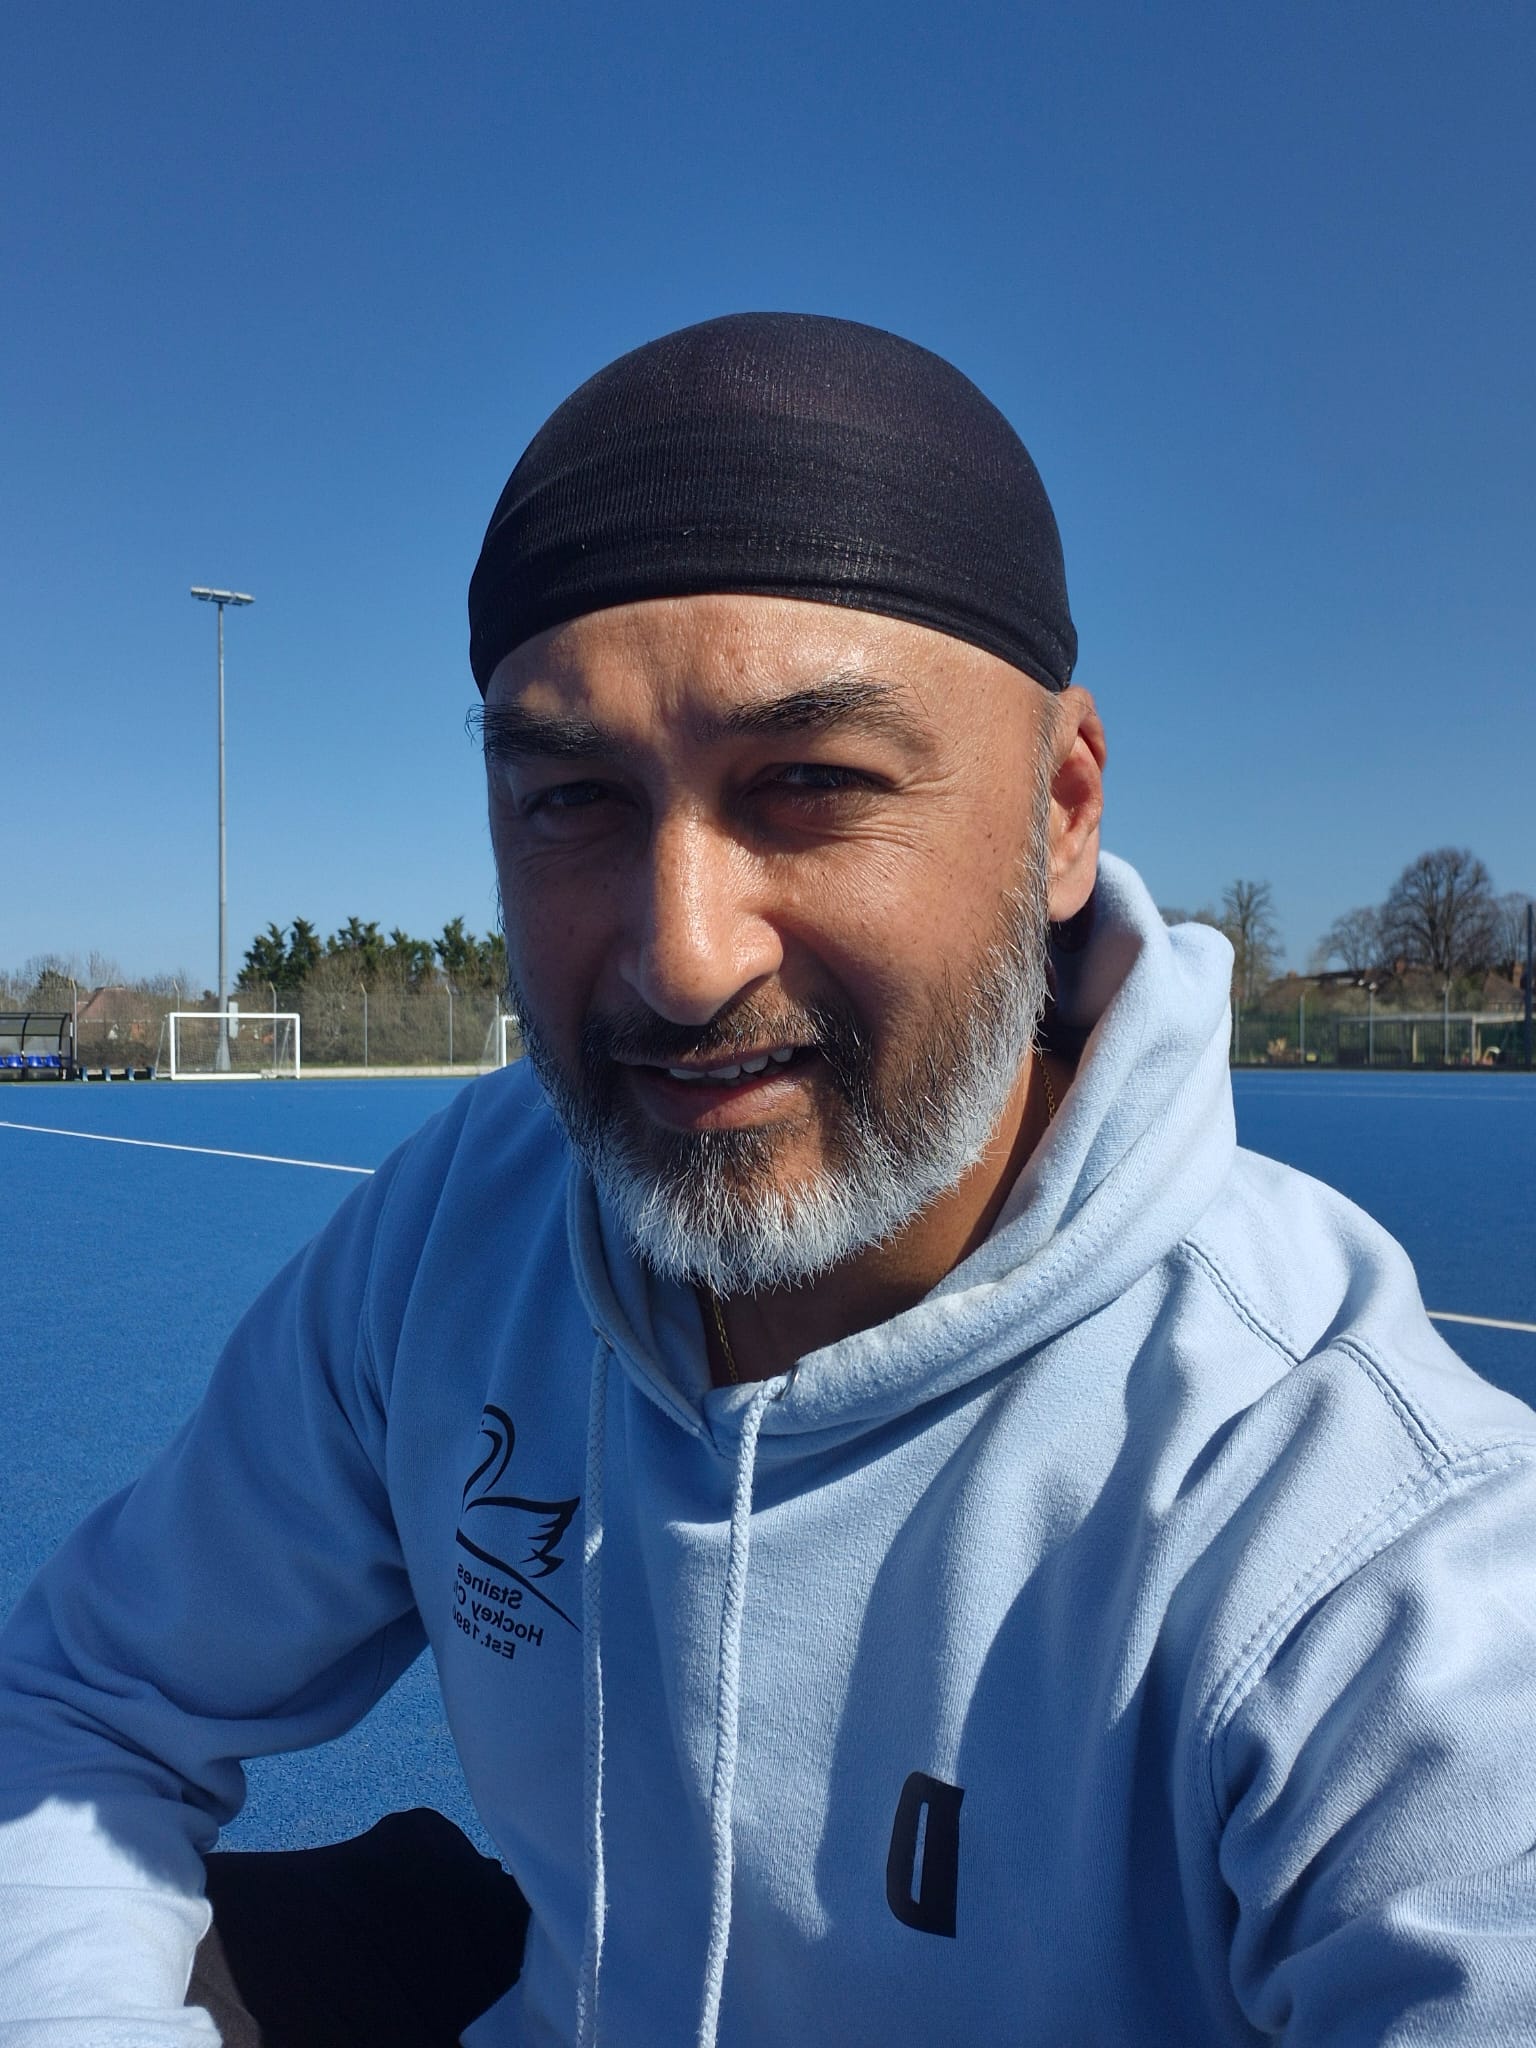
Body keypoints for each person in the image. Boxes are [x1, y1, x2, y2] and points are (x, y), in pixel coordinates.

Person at [3, 312, 1535, 2048]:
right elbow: (79, 1704)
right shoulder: (470, 1222)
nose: (677, 959)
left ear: (1062, 810)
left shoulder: (1374, 1557)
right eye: (571, 798)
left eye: (809, 783)